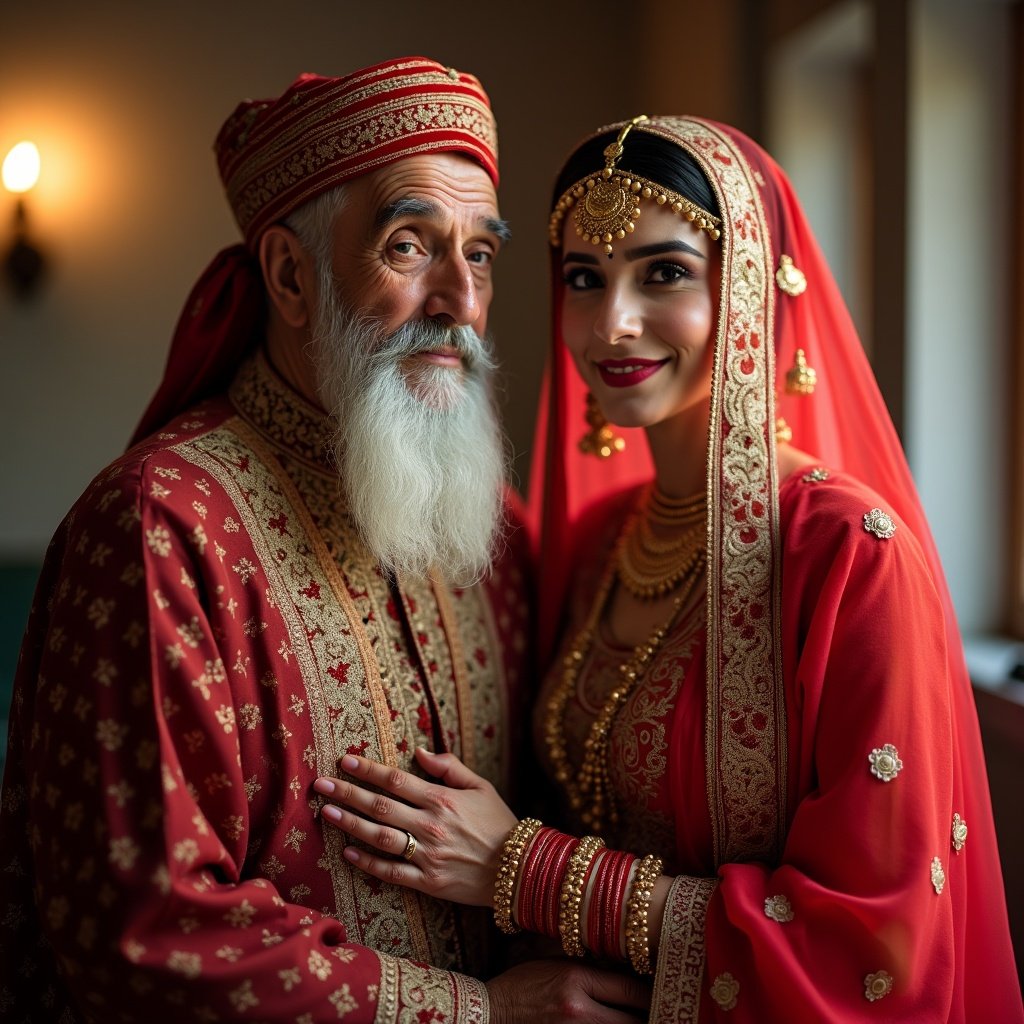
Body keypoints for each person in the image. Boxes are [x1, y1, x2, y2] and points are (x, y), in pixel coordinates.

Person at [312, 115, 1024, 1021]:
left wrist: (522, 869)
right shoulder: (605, 540)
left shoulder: (848, 556)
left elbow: (873, 956)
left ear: (756, 287)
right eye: (583, 278)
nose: (613, 320)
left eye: (665, 273)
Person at [0, 60, 650, 1023]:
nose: (461, 303)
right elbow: (144, 934)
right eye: (409, 246)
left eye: (479, 255)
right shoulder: (158, 526)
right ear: (291, 276)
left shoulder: (494, 534)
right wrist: (484, 1015)